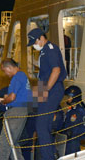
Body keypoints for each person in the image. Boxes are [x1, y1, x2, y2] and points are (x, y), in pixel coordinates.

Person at [27, 28, 67, 160]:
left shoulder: (50, 49)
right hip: (43, 86)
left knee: (41, 125)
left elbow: (56, 70)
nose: (33, 45)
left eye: (34, 42)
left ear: (40, 38)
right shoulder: (44, 52)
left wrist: (46, 89)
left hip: (51, 87)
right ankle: (51, 152)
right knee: (35, 119)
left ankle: (49, 157)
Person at [0, 58, 32, 160]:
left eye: (4, 71)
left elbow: (12, 97)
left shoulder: (17, 77)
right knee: (12, 142)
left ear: (9, 67)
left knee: (4, 141)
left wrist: (3, 101)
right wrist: (8, 97)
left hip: (16, 111)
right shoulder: (22, 76)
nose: (5, 74)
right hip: (21, 110)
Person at [63, 85, 85, 155]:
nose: (68, 99)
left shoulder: (78, 111)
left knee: (71, 155)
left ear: (75, 98)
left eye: (69, 97)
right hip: (69, 138)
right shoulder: (72, 109)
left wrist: (69, 132)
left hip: (73, 139)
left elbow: (77, 126)